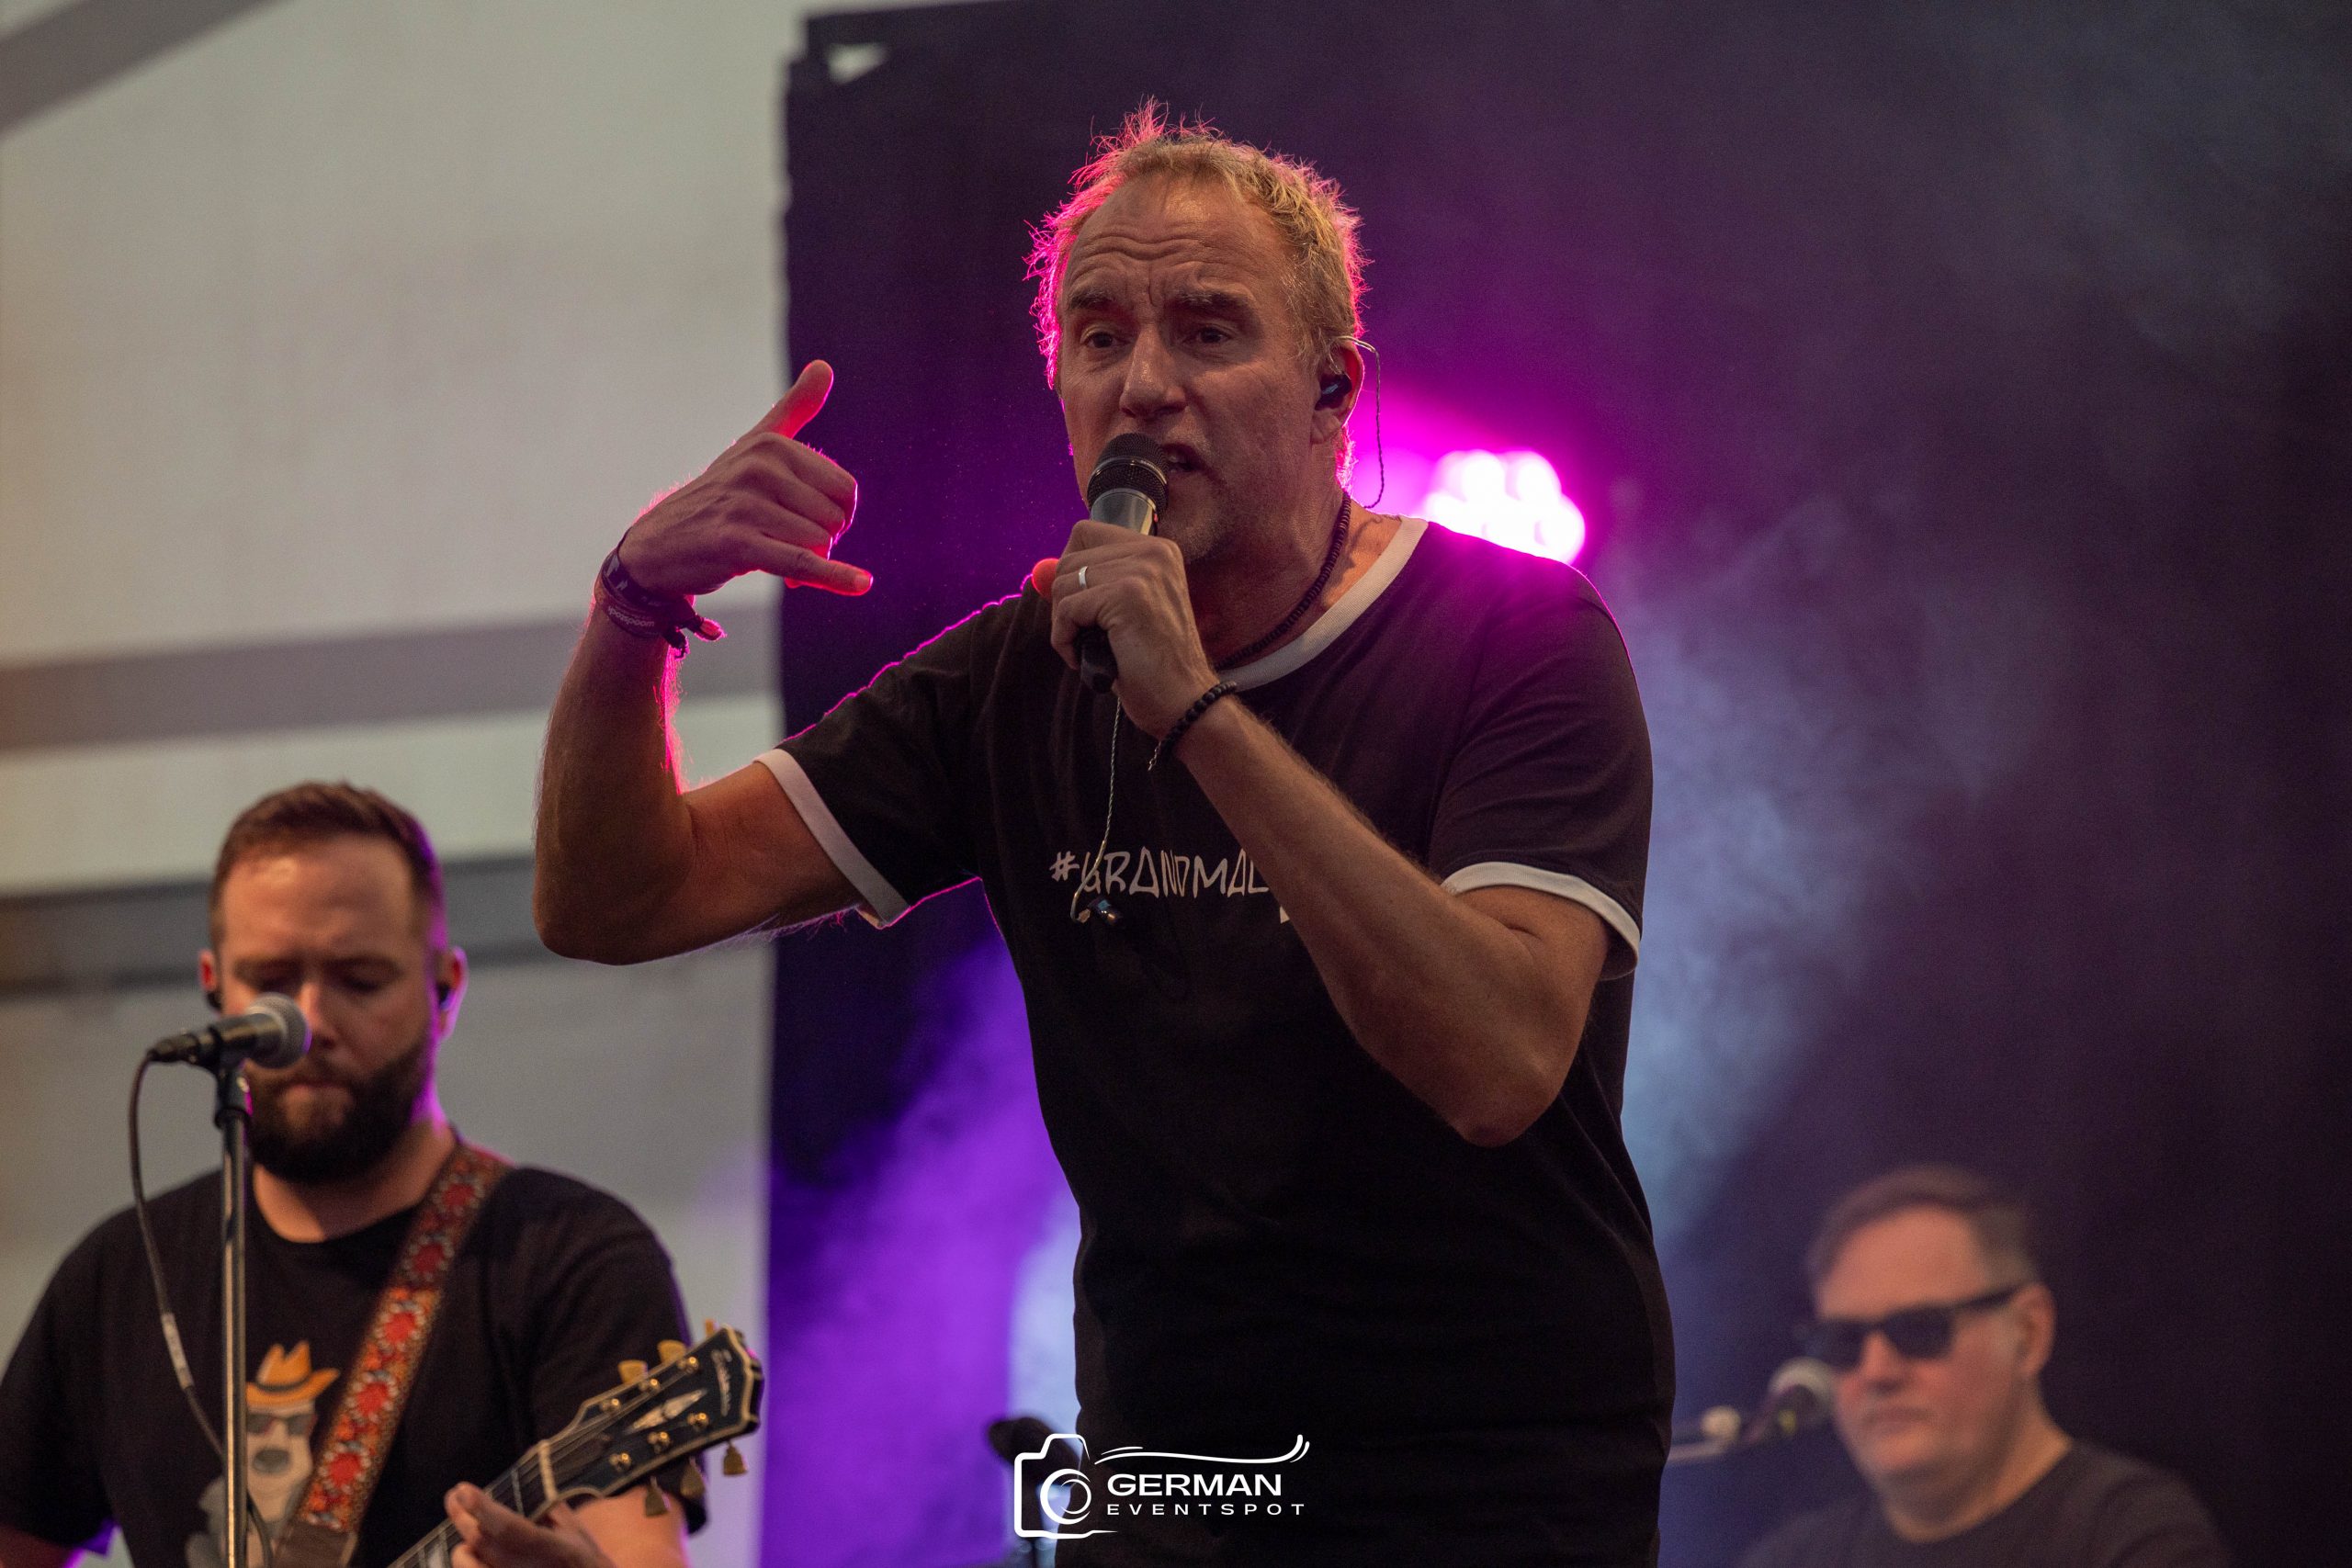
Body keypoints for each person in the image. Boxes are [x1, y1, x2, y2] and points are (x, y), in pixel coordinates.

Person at [536, 106, 1669, 1562]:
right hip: (1169, 1472)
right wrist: (633, 607)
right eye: (1100, 336)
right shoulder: (1017, 674)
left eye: (1208, 332)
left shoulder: (1515, 637)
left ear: (1333, 388)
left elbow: (1501, 1063)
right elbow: (618, 898)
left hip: (1483, 1478)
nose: (1143, 384)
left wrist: (1194, 709)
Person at [0, 784, 701, 1568]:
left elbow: (640, 1552)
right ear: (214, 986)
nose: (309, 1023)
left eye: (360, 979)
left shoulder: (573, 1258)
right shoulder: (123, 1275)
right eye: (270, 979)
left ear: (445, 990)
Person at [1740, 1165, 2229, 1567]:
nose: (1877, 1372)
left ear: (2028, 1333)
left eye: (1920, 1329)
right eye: (1844, 1342)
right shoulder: (1793, 1558)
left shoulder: (2132, 1533)